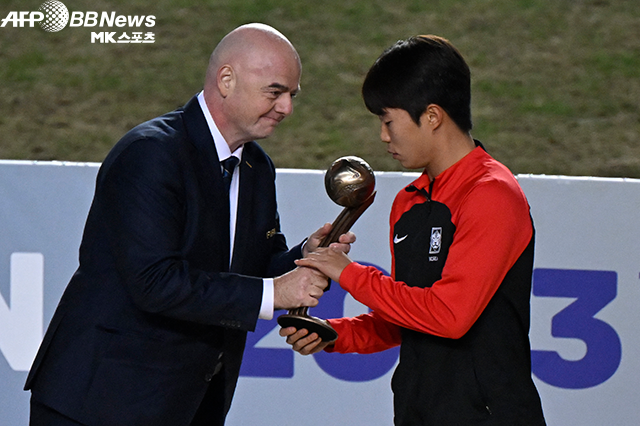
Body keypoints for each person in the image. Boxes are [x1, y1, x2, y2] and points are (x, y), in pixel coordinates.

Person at [24, 23, 354, 426]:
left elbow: (249, 265)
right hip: (103, 403)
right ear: (226, 80)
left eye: (292, 95)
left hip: (188, 404)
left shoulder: (256, 167)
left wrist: (303, 257)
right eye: (275, 91)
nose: (286, 108)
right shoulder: (150, 154)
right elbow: (154, 282)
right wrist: (274, 292)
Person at [280, 35, 546, 425]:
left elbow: (450, 316)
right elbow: (410, 314)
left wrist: (348, 273)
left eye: (388, 120)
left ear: (433, 116)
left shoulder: (492, 193)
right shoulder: (408, 201)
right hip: (416, 413)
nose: (384, 136)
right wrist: (335, 334)